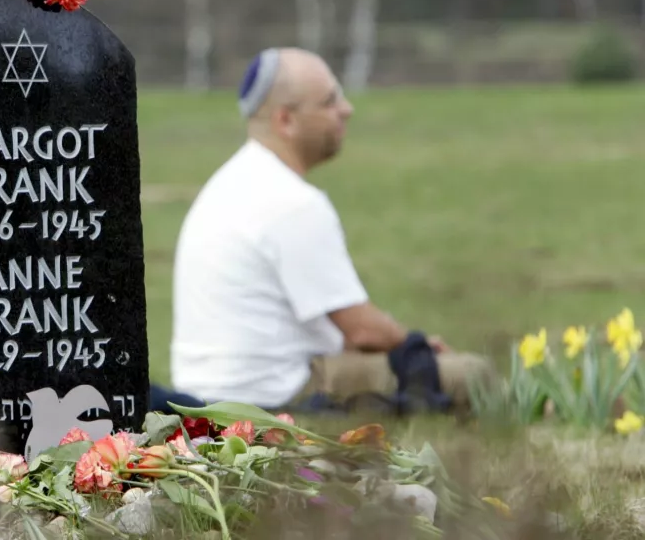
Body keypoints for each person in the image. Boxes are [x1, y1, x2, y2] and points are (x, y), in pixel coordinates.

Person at [164, 47, 496, 415]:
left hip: (207, 395)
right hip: (273, 399)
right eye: (329, 100)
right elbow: (363, 331)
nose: (347, 109)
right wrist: (416, 347)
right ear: (286, 121)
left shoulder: (230, 183)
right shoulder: (291, 201)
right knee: (471, 375)